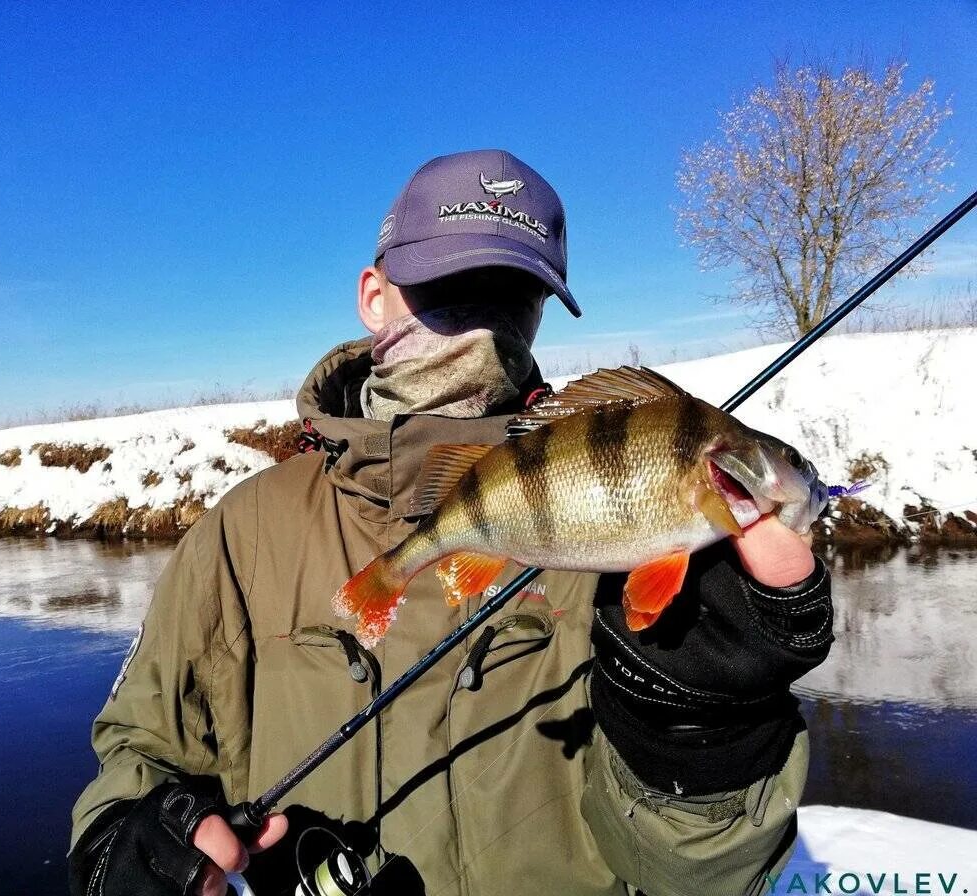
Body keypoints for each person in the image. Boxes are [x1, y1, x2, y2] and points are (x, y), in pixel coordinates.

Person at [68, 149, 833, 896]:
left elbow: (695, 877)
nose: (480, 326)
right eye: (447, 286)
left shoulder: (629, 554)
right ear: (374, 296)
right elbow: (138, 749)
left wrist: (704, 737)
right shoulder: (242, 533)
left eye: (511, 298)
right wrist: (130, 845)